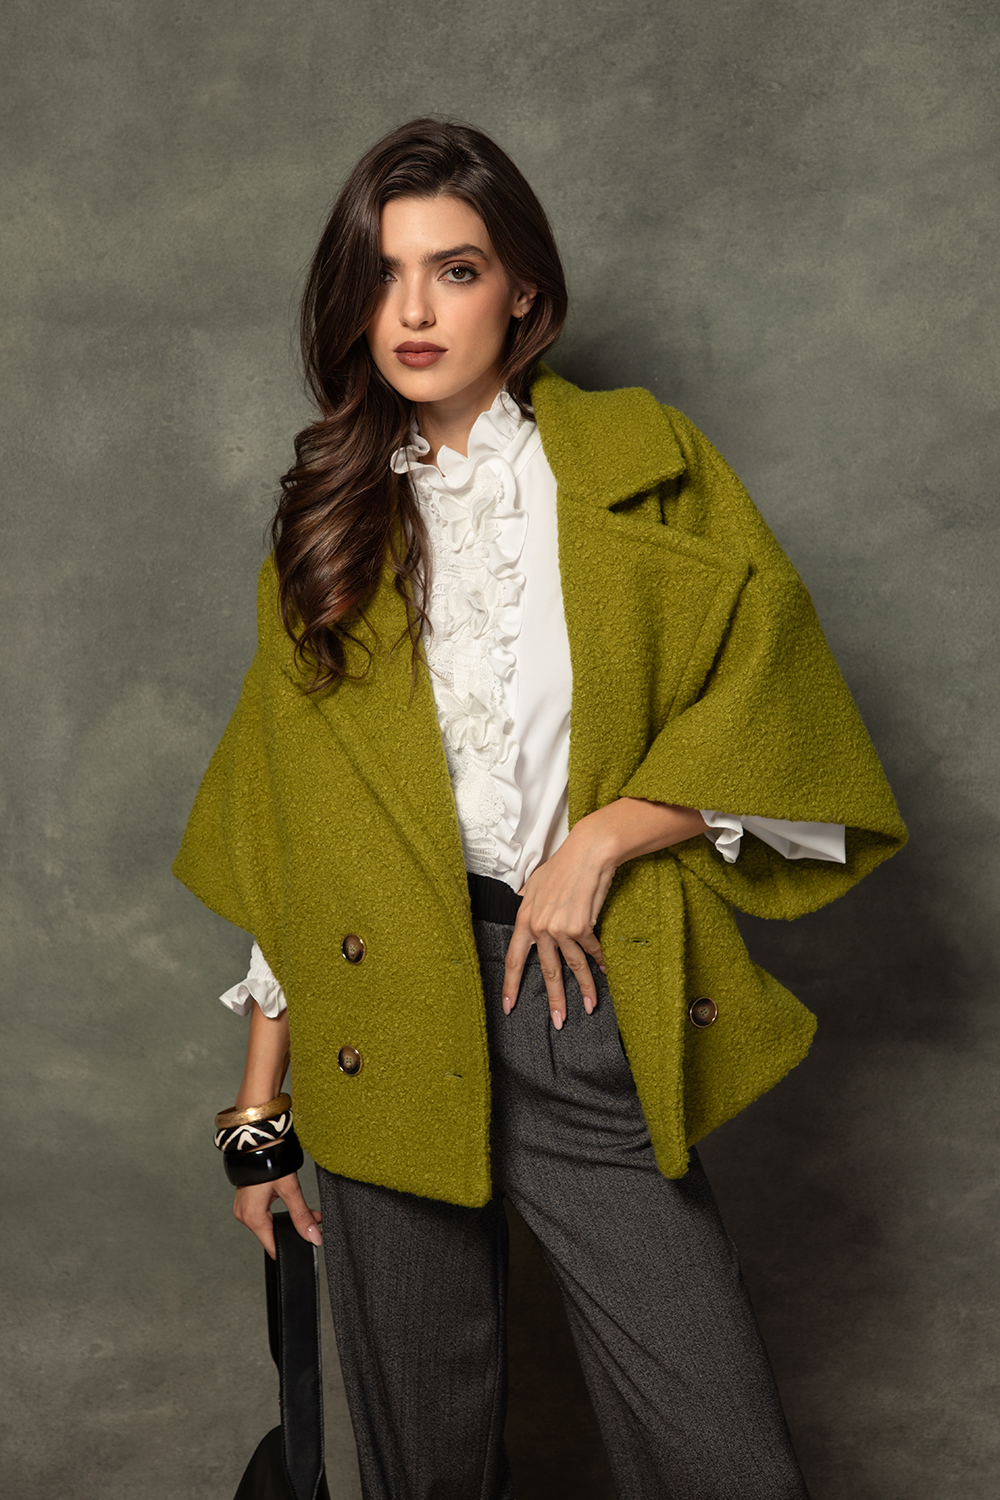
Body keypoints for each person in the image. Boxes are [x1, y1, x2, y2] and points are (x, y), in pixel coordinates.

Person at [175, 118, 906, 1500]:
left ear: (521, 289)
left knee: (725, 1456)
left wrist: (609, 836)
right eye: (383, 273)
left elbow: (781, 713)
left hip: (574, 996)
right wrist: (256, 1127)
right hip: (380, 1017)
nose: (413, 310)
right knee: (422, 1468)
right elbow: (297, 851)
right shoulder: (330, 525)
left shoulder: (646, 464)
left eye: (453, 270)